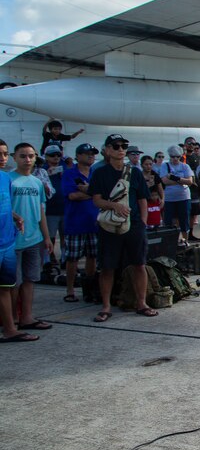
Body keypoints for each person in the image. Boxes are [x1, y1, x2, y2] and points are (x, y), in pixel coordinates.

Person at [89, 134, 157, 322]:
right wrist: (114, 206)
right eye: (116, 146)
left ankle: (141, 303)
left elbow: (143, 198)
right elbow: (96, 200)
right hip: (109, 225)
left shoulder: (134, 172)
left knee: (139, 264)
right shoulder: (100, 173)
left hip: (134, 225)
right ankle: (106, 306)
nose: (120, 149)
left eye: (123, 146)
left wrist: (143, 222)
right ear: (107, 150)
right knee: (107, 267)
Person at [11, 144, 54, 333]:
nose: (27, 160)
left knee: (30, 279)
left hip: (34, 239)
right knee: (13, 282)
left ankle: (27, 317)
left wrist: (46, 237)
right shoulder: (8, 180)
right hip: (12, 240)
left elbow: (41, 212)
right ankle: (12, 317)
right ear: (15, 157)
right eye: (23, 156)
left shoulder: (37, 183)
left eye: (30, 156)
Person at [0, 139, 36, 343]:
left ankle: (10, 329)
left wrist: (15, 216)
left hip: (7, 242)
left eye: (5, 153)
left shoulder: (5, 178)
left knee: (5, 287)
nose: (2, 158)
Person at [61, 143, 98, 303]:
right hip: (75, 223)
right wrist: (94, 193)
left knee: (93, 256)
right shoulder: (70, 174)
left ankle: (89, 288)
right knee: (73, 258)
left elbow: (103, 193)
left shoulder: (96, 173)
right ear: (78, 155)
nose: (91, 156)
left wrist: (87, 191)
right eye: (87, 153)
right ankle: (70, 289)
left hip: (94, 223)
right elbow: (72, 196)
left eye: (92, 153)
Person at [161, 145, 194, 239]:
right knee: (169, 221)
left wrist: (174, 178)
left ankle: (185, 240)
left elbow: (190, 181)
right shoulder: (165, 165)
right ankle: (171, 241)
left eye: (177, 156)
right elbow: (164, 181)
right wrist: (181, 180)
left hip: (184, 197)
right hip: (170, 198)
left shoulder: (185, 166)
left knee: (184, 220)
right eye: (172, 156)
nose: (175, 159)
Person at [140, 155, 165, 228]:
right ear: (142, 165)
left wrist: (163, 200)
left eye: (150, 164)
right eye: (146, 164)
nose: (148, 166)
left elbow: (160, 189)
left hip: (155, 200)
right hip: (144, 201)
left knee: (157, 219)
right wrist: (147, 185)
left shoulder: (155, 175)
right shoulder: (139, 176)